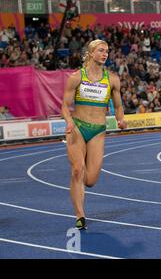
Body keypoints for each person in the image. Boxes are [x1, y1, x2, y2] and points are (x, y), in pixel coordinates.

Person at [61, 39, 127, 230]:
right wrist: (69, 121)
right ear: (90, 53)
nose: (105, 54)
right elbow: (65, 105)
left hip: (98, 131)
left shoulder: (113, 79)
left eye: (107, 51)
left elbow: (119, 106)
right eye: (101, 50)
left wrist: (120, 119)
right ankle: (80, 215)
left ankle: (79, 187)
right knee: (77, 169)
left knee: (90, 180)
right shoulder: (76, 77)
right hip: (78, 128)